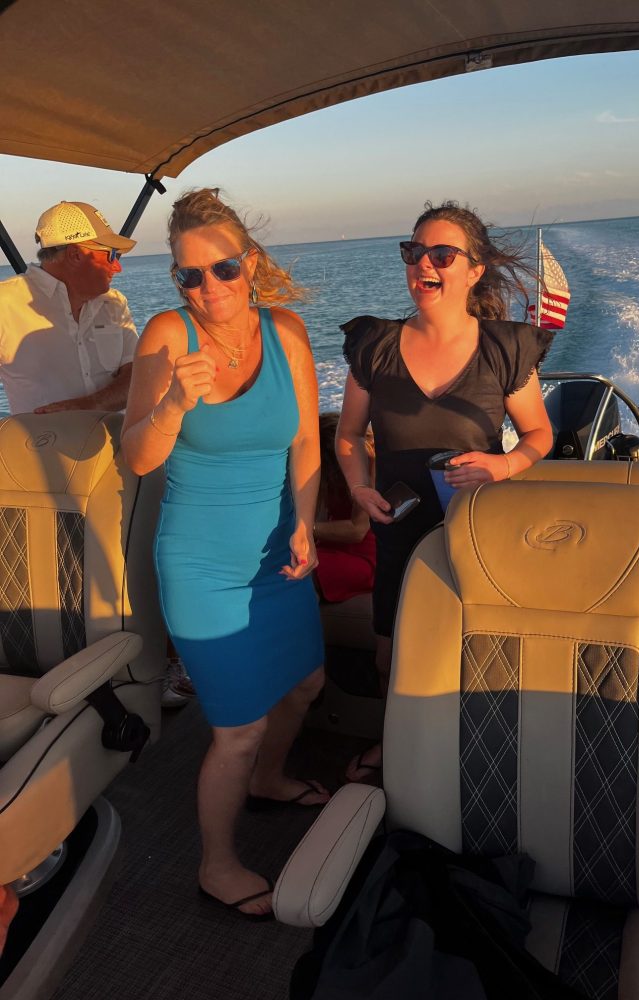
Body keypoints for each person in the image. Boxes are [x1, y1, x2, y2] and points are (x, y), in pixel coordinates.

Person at [121, 187, 327, 920]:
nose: (209, 288)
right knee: (237, 731)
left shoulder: (287, 332)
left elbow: (307, 439)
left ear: (251, 263)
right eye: (190, 275)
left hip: (278, 551)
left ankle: (270, 779)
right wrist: (173, 404)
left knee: (305, 684)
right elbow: (138, 458)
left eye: (224, 269)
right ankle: (217, 863)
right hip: (202, 565)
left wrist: (306, 522)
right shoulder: (166, 336)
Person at [336, 201, 554, 782]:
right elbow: (349, 435)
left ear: (474, 270)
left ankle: (468, 753)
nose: (423, 264)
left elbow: (539, 434)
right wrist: (359, 488)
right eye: (414, 252)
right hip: (398, 524)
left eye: (441, 253)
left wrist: (503, 466)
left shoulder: (505, 348)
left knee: (471, 645)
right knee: (390, 650)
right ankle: (395, 745)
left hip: (475, 524)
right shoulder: (374, 344)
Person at [0, 201, 137, 414]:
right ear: (75, 254)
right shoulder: (5, 303)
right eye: (111, 254)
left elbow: (137, 375)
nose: (117, 267)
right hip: (41, 437)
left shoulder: (115, 303)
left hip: (116, 436)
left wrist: (87, 406)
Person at [314, 411, 376, 603]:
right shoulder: (330, 478)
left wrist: (301, 529)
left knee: (300, 565)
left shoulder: (370, 467)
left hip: (366, 558)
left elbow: (357, 530)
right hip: (334, 548)